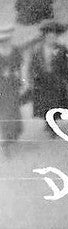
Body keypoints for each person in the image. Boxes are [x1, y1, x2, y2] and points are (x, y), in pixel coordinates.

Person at [0, 24, 23, 157]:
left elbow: (19, 64)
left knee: (14, 108)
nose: (4, 42)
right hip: (1, 86)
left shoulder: (14, 50)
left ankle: (14, 132)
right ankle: (5, 137)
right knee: (4, 111)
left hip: (13, 84)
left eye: (6, 40)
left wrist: (17, 76)